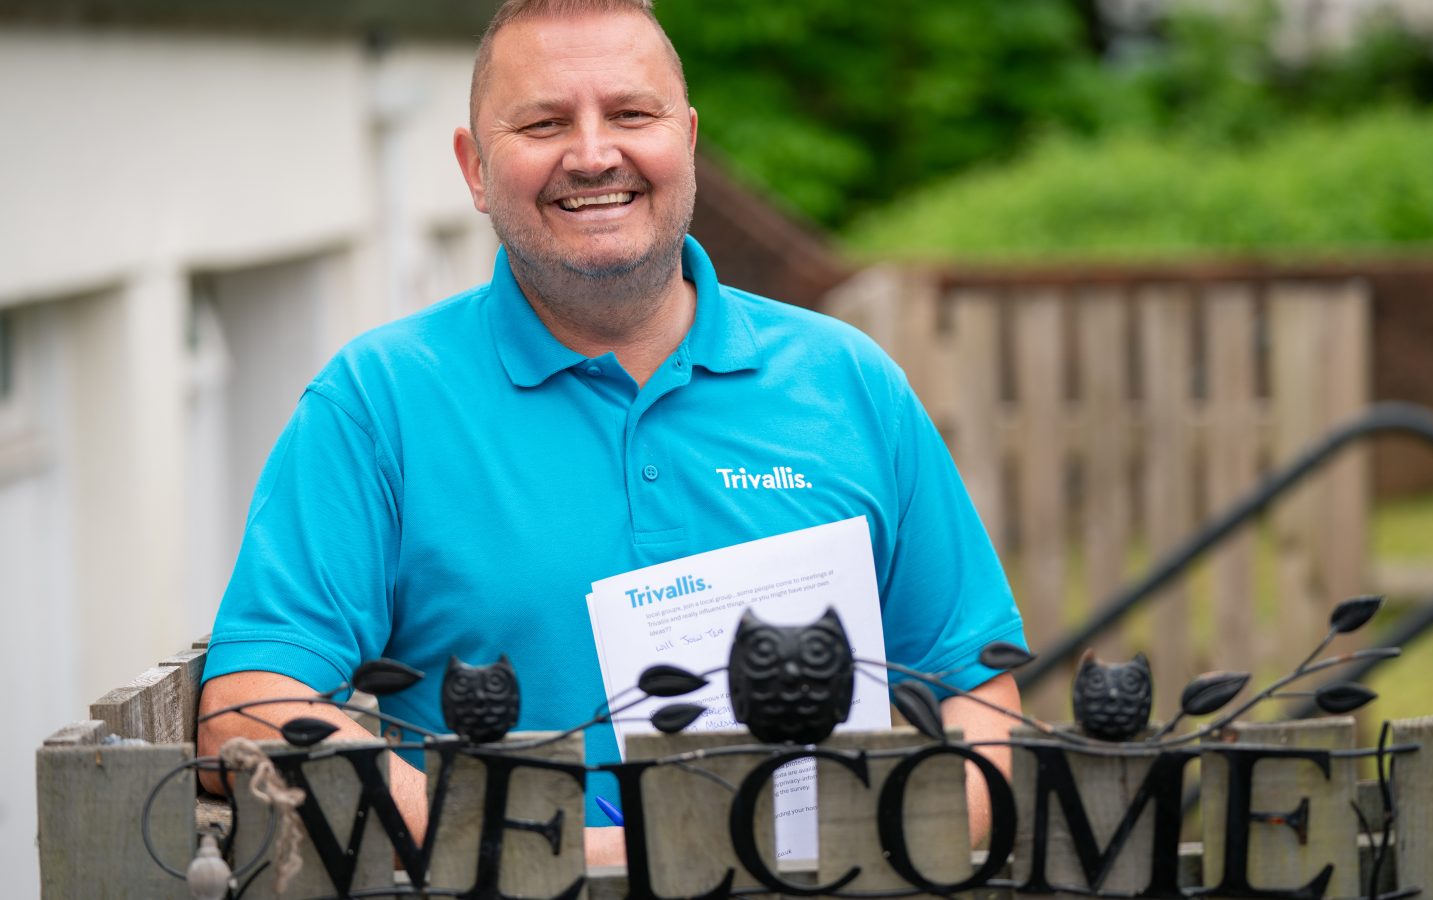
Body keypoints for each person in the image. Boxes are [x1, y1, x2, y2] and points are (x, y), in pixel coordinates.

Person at [197, 0, 1026, 865]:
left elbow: (979, 698)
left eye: (631, 114)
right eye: (545, 122)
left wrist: (849, 855)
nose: (594, 154)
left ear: (689, 140)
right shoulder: (377, 404)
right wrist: (534, 852)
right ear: (475, 169)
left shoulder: (849, 384)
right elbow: (248, 705)